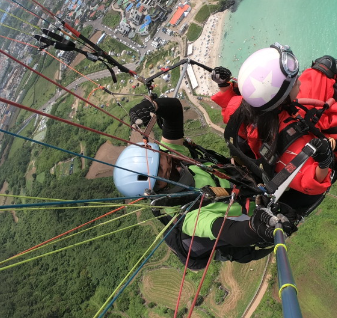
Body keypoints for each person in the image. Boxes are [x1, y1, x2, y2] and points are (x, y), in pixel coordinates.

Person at [210, 43, 337, 215]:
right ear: (280, 96)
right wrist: (324, 159)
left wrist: (226, 86)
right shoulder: (288, 153)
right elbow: (312, 182)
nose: (298, 81)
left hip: (296, 115)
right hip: (317, 139)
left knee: (325, 65)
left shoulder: (246, 107)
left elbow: (234, 101)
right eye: (294, 82)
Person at [113, 97, 298, 271]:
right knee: (300, 202)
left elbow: (174, 112)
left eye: (164, 157)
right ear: (156, 190)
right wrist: (258, 226)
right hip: (255, 213)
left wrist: (153, 105)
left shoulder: (170, 154)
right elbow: (229, 231)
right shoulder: (187, 216)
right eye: (165, 172)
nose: (173, 164)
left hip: (243, 182)